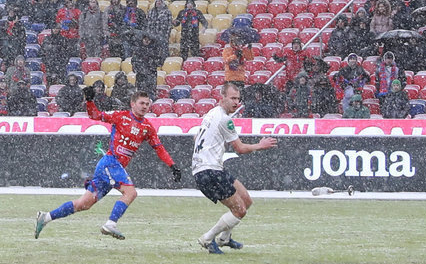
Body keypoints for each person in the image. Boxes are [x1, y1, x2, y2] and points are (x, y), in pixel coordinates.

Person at [35, 89, 182, 240]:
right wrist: (90, 101)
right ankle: (111, 224)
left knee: (83, 204)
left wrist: (172, 165)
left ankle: (46, 217)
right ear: (133, 104)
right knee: (131, 193)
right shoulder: (121, 116)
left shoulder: (147, 127)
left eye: (147, 104)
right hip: (110, 163)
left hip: (112, 167)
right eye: (141, 103)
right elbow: (95, 116)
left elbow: (159, 148)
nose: (145, 106)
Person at [192, 83, 278, 254]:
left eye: (238, 99)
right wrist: (260, 145)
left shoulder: (211, 114)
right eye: (232, 98)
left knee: (246, 200)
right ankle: (207, 239)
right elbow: (240, 148)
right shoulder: (225, 119)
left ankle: (224, 238)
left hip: (211, 168)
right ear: (221, 98)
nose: (236, 102)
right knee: (240, 210)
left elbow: (196, 136)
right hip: (209, 171)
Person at [132, 33, 162, 98]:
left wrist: (151, 66)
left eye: (148, 40)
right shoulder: (138, 50)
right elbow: (134, 61)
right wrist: (138, 69)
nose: (146, 41)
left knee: (151, 93)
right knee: (140, 93)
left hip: (151, 74)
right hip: (141, 75)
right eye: (145, 39)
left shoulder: (154, 50)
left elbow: (159, 61)